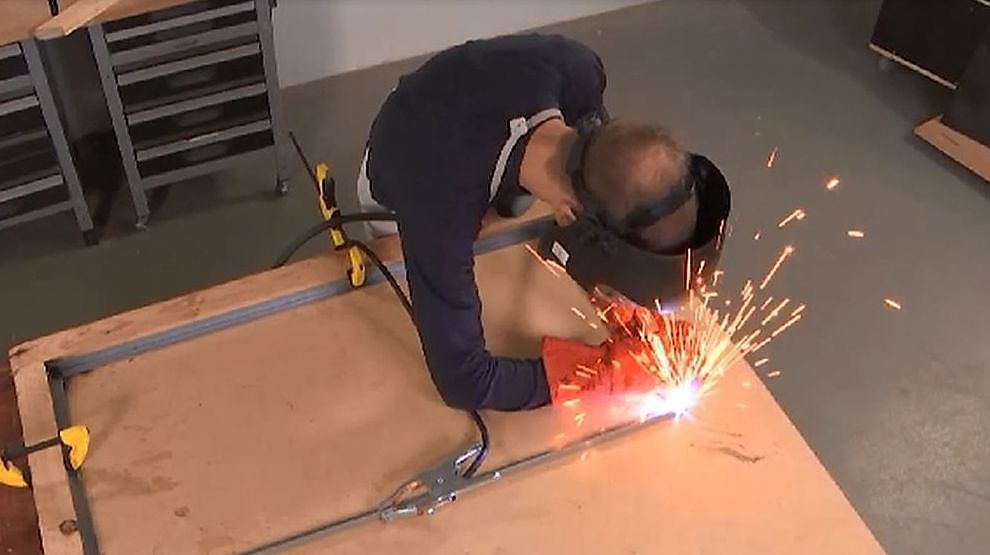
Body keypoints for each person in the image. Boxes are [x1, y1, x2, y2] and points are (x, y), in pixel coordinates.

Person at [357, 33, 698, 411]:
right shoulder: (439, 201)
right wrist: (600, 373)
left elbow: (613, 175)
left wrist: (628, 307)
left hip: (467, 118)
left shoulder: (579, 70)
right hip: (405, 168)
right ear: (569, 213)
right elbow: (465, 381)